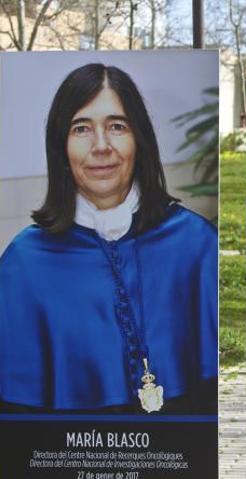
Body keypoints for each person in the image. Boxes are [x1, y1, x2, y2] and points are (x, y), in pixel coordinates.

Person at [0, 63, 217, 413]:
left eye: (117, 126)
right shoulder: (23, 263)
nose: (101, 146)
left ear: (139, 139)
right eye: (81, 128)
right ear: (61, 146)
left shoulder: (197, 245)